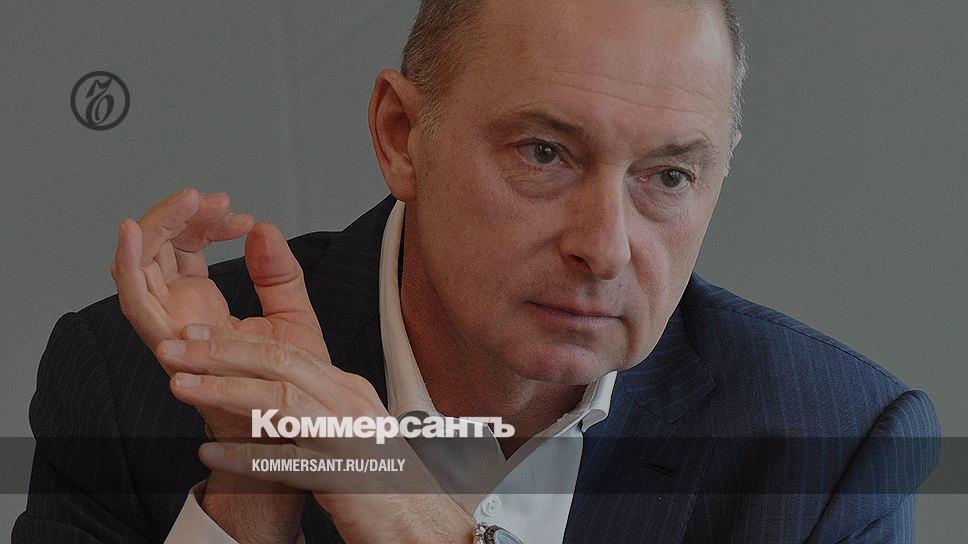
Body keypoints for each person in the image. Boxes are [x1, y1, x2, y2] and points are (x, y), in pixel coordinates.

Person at [14, 1, 941, 543]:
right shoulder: (134, 381)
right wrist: (251, 499)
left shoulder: (830, 446)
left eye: (668, 176)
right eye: (545, 153)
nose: (605, 247)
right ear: (401, 136)